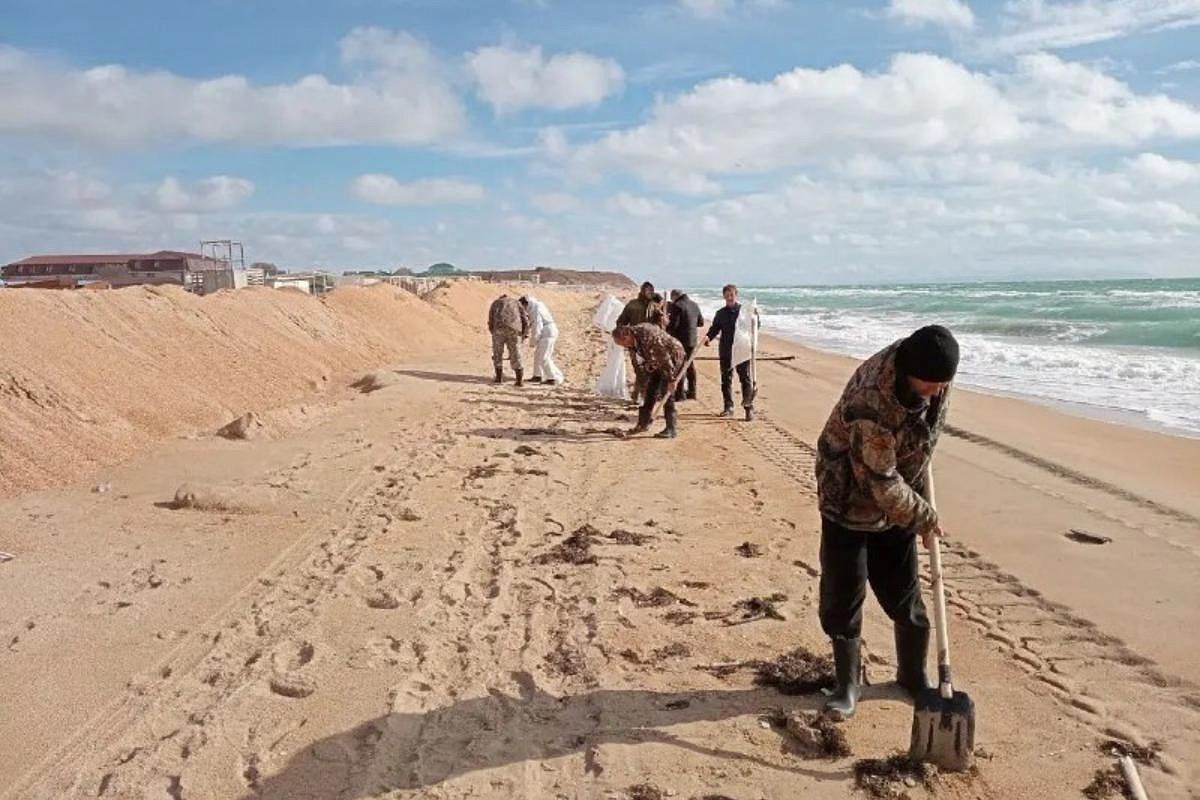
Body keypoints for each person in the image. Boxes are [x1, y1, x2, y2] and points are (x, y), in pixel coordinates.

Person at [813, 325, 959, 719]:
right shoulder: (872, 401)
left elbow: (922, 434)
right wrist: (925, 516)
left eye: (942, 385)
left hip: (900, 493)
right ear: (909, 374)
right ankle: (847, 685)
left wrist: (919, 486)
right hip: (848, 498)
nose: (937, 392)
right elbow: (879, 482)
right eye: (930, 385)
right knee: (844, 594)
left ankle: (912, 675)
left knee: (904, 593)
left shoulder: (934, 371)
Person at [612, 323, 684, 439]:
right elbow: (640, 361)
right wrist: (644, 377)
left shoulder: (648, 335)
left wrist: (671, 379)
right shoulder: (631, 341)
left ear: (626, 336)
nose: (624, 347)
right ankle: (643, 423)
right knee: (651, 390)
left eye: (623, 343)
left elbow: (664, 358)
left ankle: (671, 429)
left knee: (667, 391)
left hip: (673, 357)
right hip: (655, 360)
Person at [702, 284, 755, 420]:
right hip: (726, 350)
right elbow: (714, 328)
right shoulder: (720, 313)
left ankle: (748, 408)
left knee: (745, 379)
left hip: (742, 350)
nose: (729, 297)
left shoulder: (744, 312)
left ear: (736, 295)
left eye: (732, 294)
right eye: (727, 295)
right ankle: (728, 407)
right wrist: (709, 337)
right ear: (724, 296)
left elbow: (755, 326)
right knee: (726, 380)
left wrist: (755, 319)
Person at [616, 282, 657, 404]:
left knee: (648, 369)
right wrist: (625, 336)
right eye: (647, 290)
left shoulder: (655, 306)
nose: (649, 293)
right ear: (642, 291)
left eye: (651, 291)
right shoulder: (632, 305)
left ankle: (637, 394)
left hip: (650, 343)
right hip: (634, 343)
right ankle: (642, 397)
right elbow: (621, 321)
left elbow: (662, 324)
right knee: (639, 369)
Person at [666, 289, 704, 401]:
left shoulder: (677, 305)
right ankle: (692, 392)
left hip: (680, 340)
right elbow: (701, 322)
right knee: (690, 365)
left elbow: (673, 325)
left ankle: (680, 394)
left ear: (674, 296)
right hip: (692, 340)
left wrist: (666, 326)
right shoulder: (694, 304)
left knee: (680, 366)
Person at [519, 295, 564, 385]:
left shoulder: (535, 309)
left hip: (548, 333)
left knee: (544, 357)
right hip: (547, 332)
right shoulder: (535, 306)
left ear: (525, 304)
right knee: (538, 355)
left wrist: (533, 341)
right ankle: (537, 376)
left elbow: (537, 326)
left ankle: (552, 378)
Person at [487, 293, 529, 386]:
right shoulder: (516, 302)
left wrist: (493, 332)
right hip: (514, 331)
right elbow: (525, 318)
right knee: (516, 354)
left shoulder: (495, 303)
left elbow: (490, 319)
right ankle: (519, 381)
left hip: (498, 330)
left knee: (497, 353)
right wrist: (524, 334)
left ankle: (498, 378)